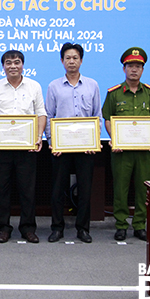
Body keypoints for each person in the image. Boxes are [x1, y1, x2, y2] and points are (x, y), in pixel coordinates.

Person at [0, 50, 47, 244]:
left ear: (23, 65)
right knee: (1, 189)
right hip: (1, 148)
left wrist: (38, 136)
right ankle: (3, 228)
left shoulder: (34, 86)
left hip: (26, 147)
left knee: (28, 190)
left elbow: (41, 112)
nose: (13, 66)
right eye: (8, 63)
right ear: (3, 66)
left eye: (17, 62)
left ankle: (28, 228)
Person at [102, 47, 150, 242]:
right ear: (124, 69)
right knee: (120, 188)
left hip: (145, 151)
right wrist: (114, 138)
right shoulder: (114, 93)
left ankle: (139, 224)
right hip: (122, 151)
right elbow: (108, 119)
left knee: (143, 188)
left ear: (143, 69)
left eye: (138, 66)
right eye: (130, 66)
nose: (134, 70)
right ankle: (121, 225)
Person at [45, 43, 102, 244]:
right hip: (60, 148)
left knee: (85, 189)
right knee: (57, 189)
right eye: (68, 58)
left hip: (85, 147)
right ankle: (57, 228)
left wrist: (93, 141)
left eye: (75, 57)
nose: (71, 61)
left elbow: (97, 116)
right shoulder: (53, 86)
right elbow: (49, 116)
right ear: (62, 61)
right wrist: (52, 143)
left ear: (81, 60)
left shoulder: (92, 85)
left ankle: (82, 228)